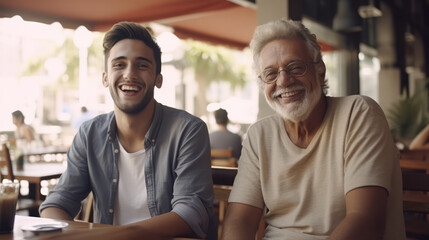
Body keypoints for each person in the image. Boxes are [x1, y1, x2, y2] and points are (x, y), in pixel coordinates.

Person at [221, 18, 405, 240]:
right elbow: (239, 220)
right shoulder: (259, 135)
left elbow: (365, 222)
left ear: (320, 71)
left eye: (295, 67)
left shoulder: (358, 113)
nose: (283, 81)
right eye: (270, 74)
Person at [40, 22, 214, 239]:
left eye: (142, 65)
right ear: (105, 78)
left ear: (158, 79)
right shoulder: (89, 134)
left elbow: (190, 213)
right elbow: (56, 203)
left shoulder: (188, 130)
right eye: (119, 65)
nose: (129, 74)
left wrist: (111, 236)